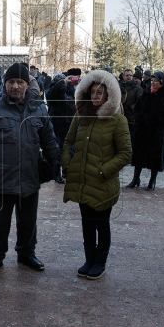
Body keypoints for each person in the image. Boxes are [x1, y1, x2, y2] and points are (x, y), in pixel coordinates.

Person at [0, 63, 61, 276]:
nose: (15, 86)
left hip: (29, 176)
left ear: (27, 84)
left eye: (20, 82)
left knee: (28, 221)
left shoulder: (38, 108)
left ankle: (27, 253)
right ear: (4, 84)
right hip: (0, 178)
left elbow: (48, 139)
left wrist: (55, 162)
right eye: (11, 82)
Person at [61, 70, 131, 279]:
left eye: (100, 92)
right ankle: (89, 258)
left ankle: (100, 261)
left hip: (103, 184)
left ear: (109, 94)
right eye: (92, 92)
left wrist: (103, 171)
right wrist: (68, 164)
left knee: (101, 223)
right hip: (82, 181)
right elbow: (67, 142)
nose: (95, 96)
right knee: (86, 223)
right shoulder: (81, 115)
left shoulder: (117, 120)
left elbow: (125, 153)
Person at [128, 71, 164, 190]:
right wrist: (140, 118)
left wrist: (148, 119)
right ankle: (135, 178)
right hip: (142, 129)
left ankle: (152, 180)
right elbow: (137, 108)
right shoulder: (146, 92)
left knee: (156, 156)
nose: (152, 83)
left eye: (155, 81)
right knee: (139, 154)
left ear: (162, 82)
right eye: (152, 80)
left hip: (157, 130)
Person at [47, 68, 80, 183]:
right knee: (57, 150)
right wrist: (63, 82)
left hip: (69, 123)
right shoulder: (53, 92)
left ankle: (66, 172)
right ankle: (56, 174)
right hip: (57, 125)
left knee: (69, 149)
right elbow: (55, 92)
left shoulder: (71, 90)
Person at [120, 69, 143, 188]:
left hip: (132, 118)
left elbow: (140, 102)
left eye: (130, 75)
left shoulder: (137, 88)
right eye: (127, 75)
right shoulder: (119, 86)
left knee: (132, 139)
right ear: (123, 76)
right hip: (121, 117)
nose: (129, 77)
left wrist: (130, 108)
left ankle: (130, 157)